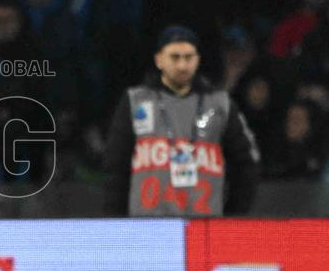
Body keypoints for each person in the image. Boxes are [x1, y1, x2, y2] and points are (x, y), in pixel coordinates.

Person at [103, 25, 260, 217]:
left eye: (188, 57)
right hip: (145, 230)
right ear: (159, 60)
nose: (182, 65)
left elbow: (247, 164)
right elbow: (115, 167)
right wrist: (116, 223)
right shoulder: (136, 101)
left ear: (198, 60)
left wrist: (232, 217)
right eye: (174, 57)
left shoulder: (220, 104)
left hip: (205, 230)